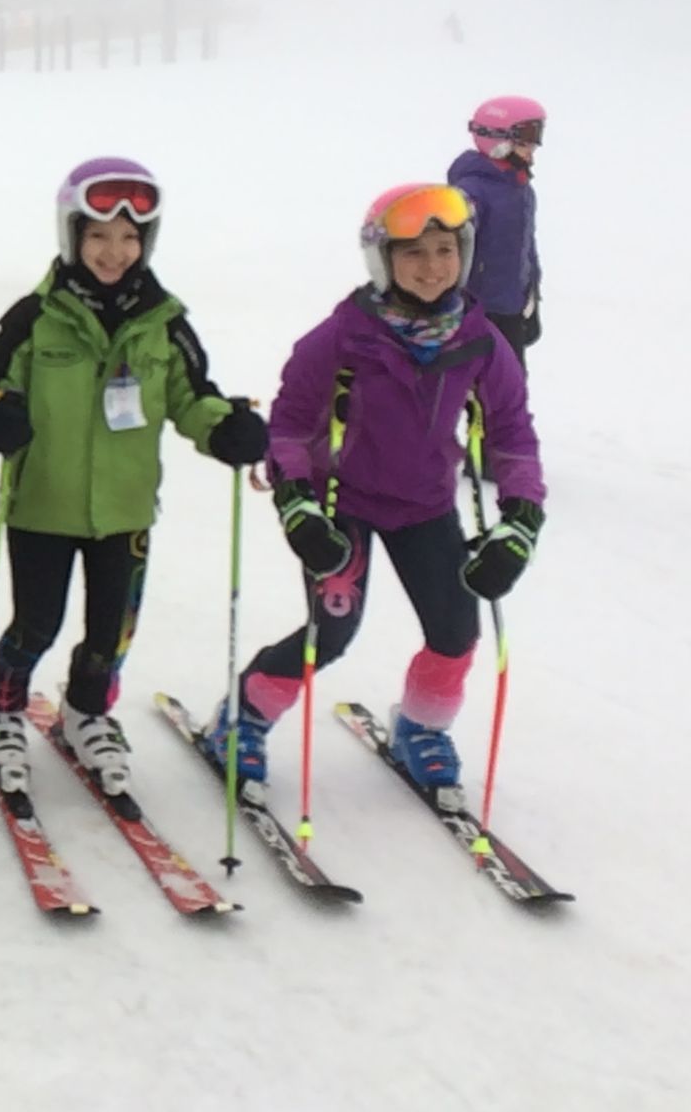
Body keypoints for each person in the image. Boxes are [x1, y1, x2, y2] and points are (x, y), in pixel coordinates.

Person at [203, 183, 545, 809]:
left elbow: (514, 432)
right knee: (328, 636)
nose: (431, 266)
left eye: (445, 250)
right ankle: (242, 715)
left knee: (455, 631)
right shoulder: (339, 337)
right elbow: (291, 427)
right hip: (343, 505)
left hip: (427, 507)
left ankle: (421, 728)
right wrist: (297, 503)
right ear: (382, 260)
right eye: (412, 252)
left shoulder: (480, 340)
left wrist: (522, 518)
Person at [0, 157, 265, 806]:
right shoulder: (32, 318)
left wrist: (224, 429)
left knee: (111, 631)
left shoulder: (164, 322)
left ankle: (86, 712)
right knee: (35, 624)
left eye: (129, 238)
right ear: (72, 236)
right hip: (41, 504)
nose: (114, 251)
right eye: (98, 235)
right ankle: (3, 708)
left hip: (125, 510)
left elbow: (191, 396)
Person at [448, 95, 545, 368]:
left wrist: (532, 295)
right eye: (526, 137)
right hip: (477, 312)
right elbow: (452, 247)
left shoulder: (521, 189)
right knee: (480, 387)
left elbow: (526, 247)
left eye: (537, 135)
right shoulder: (471, 191)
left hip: (511, 307)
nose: (534, 146)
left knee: (511, 384)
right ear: (497, 138)